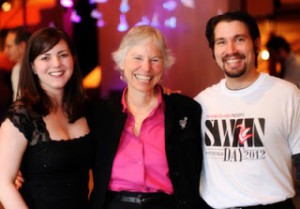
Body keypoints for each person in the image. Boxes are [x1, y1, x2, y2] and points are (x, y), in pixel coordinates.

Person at [89, 25, 203, 209]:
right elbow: (72, 153)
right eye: (137, 58)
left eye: (155, 59)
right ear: (121, 62)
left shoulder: (185, 110)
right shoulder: (100, 113)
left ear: (164, 66)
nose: (146, 67)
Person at [194, 11, 300, 209]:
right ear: (213, 50)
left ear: (256, 44)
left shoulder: (287, 95)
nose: (231, 50)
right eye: (221, 42)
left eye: (239, 39)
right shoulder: (201, 103)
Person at [0, 27, 106, 209]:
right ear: (32, 66)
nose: (56, 63)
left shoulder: (87, 109)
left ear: (73, 58)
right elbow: (3, 183)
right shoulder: (22, 115)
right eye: (45, 57)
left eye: (63, 55)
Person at [4, 26, 31, 101]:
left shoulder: (36, 69)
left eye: (9, 46)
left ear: (22, 46)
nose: (5, 51)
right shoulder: (16, 69)